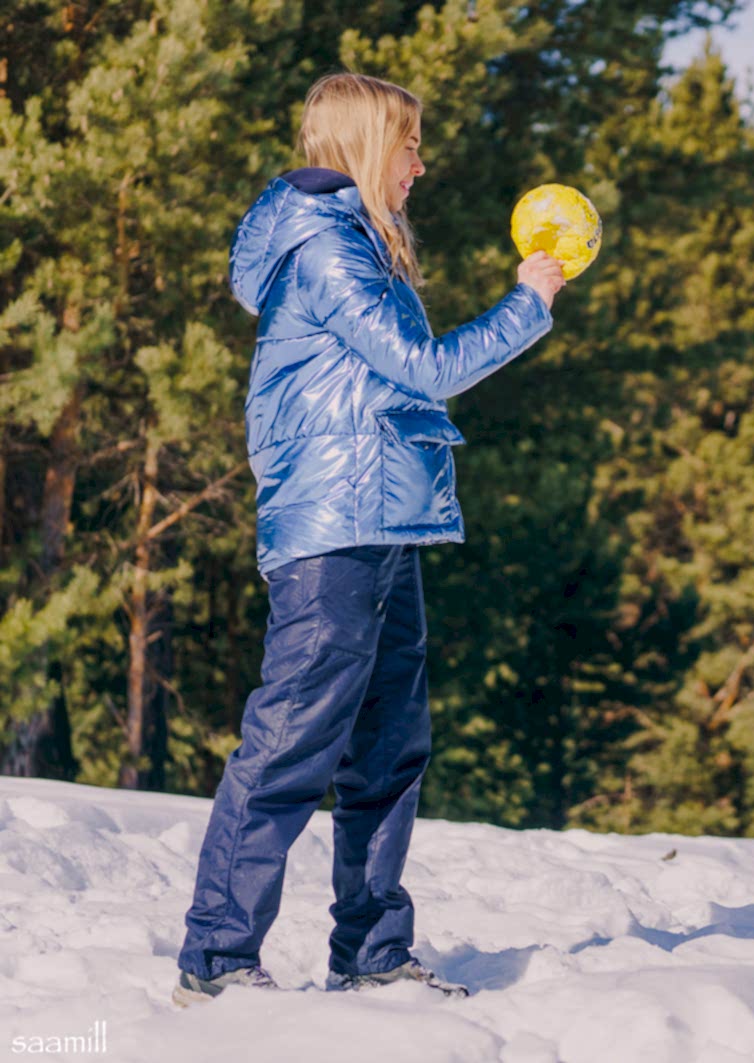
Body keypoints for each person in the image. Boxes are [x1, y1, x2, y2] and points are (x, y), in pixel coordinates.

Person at [173, 72, 565, 1006]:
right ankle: (216, 959)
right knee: (290, 740)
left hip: (383, 519)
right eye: (410, 146)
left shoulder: (359, 245)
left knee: (389, 746)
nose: (421, 168)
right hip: (330, 529)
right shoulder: (324, 246)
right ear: (362, 147)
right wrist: (530, 302)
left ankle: (374, 954)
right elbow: (425, 369)